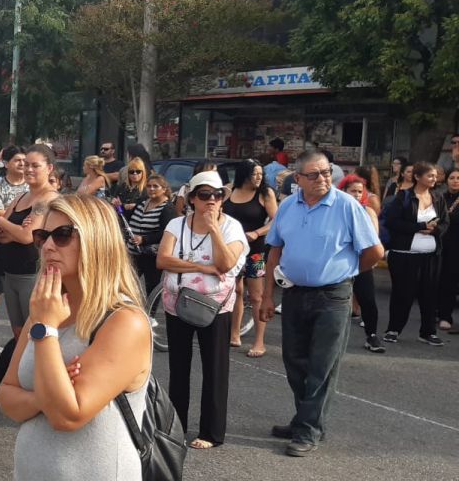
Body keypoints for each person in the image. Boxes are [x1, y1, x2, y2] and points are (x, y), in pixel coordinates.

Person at [0, 193, 152, 481]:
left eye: (63, 234)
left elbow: (67, 415)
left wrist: (47, 331)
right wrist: (45, 395)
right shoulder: (45, 310)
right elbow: (6, 397)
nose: (48, 246)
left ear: (97, 240)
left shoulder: (124, 321)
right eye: (43, 236)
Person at [259, 151, 383, 457]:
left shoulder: (347, 206)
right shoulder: (289, 206)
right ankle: (306, 418)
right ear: (298, 178)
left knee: (321, 366)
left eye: (326, 172)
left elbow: (374, 252)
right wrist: (267, 296)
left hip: (333, 296)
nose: (322, 179)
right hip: (294, 293)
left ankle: (308, 430)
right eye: (313, 174)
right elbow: (274, 252)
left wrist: (346, 273)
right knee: (294, 361)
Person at [156, 171, 247, 450]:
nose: (212, 201)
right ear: (192, 198)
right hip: (177, 303)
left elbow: (225, 264)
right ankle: (177, 427)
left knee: (215, 368)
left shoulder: (232, 227)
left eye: (217, 195)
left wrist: (214, 230)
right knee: (178, 368)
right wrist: (200, 267)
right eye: (205, 195)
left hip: (215, 306)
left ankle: (211, 431)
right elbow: (162, 259)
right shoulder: (176, 224)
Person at [0, 145, 60, 345]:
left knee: (36, 334)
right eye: (26, 165)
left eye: (35, 166)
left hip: (33, 274)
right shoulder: (22, 197)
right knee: (18, 333)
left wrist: (3, 221)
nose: (28, 169)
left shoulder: (48, 199)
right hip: (11, 273)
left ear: (49, 168)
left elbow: (26, 236)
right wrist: (16, 228)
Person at [381, 162, 450, 347]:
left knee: (429, 294)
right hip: (405, 254)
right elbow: (393, 222)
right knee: (402, 293)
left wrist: (435, 230)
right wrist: (419, 227)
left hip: (431, 255)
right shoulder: (403, 196)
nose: (434, 179)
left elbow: (445, 222)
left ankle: (428, 332)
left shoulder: (438, 197)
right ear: (418, 177)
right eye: (430, 175)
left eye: (435, 176)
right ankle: (393, 329)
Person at [222, 159, 277, 357]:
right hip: (231, 249)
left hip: (255, 251)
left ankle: (259, 342)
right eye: (255, 174)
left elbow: (276, 220)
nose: (259, 177)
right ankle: (234, 334)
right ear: (244, 174)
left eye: (261, 174)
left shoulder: (265, 193)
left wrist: (257, 232)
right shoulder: (229, 190)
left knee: (256, 296)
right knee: (235, 290)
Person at [338, 175, 385, 352]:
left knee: (368, 299)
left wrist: (371, 258)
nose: (357, 194)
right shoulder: (335, 210)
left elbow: (374, 240)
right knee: (336, 300)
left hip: (361, 262)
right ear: (343, 191)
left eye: (360, 191)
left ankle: (372, 336)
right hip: (339, 263)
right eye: (353, 191)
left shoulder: (368, 211)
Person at [127, 175, 177, 296]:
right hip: (133, 252)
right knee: (127, 284)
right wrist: (121, 208)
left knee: (151, 288)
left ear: (164, 189)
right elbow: (129, 219)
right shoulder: (142, 202)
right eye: (149, 186)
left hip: (151, 256)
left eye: (155, 186)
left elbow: (167, 233)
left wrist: (144, 239)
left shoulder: (167, 208)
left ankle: (151, 308)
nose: (151, 189)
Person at [437, 167, 459, 332]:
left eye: (458, 178)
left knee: (451, 282)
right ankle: (441, 313)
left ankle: (445, 315)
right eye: (452, 178)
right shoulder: (440, 198)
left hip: (456, 246)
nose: (455, 181)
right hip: (442, 245)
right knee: (441, 281)